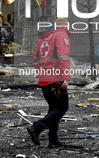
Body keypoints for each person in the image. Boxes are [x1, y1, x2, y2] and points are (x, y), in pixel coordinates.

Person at [27, 17, 71, 148]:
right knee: (62, 107)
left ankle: (53, 141)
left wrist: (42, 71)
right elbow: (64, 58)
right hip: (56, 79)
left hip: (45, 79)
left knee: (54, 108)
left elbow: (35, 58)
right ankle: (37, 127)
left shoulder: (43, 38)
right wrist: (66, 77)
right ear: (65, 26)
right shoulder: (61, 35)